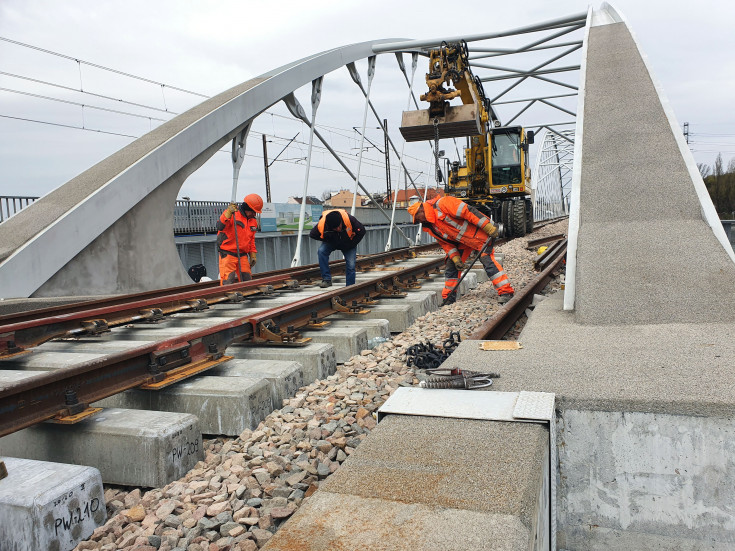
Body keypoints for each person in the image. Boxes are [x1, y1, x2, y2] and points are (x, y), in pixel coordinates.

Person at [407, 196, 514, 305]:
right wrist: (456, 258)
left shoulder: (443, 204)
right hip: (464, 242)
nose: (419, 221)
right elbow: (446, 244)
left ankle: (506, 292)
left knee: (487, 261)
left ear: (421, 209)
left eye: (417, 218)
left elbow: (469, 212)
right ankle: (448, 298)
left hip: (482, 235)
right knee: (452, 265)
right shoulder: (431, 227)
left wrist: (488, 226)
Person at [309, 209, 365, 287]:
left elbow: (362, 231)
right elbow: (312, 234)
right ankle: (326, 279)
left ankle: (350, 286)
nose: (338, 229)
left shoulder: (349, 219)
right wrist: (327, 239)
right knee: (321, 251)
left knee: (351, 265)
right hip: (332, 242)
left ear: (341, 222)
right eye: (335, 229)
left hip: (348, 243)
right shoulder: (323, 224)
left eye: (339, 226)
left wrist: (352, 244)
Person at [216, 193, 263, 285]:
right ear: (247, 208)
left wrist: (252, 253)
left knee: (247, 280)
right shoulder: (232, 214)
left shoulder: (253, 221)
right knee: (228, 281)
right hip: (228, 254)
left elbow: (251, 239)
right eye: (253, 211)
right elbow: (220, 226)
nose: (254, 214)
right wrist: (228, 213)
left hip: (242, 255)